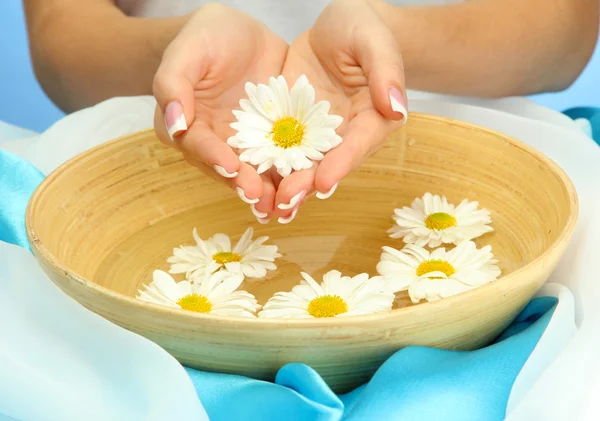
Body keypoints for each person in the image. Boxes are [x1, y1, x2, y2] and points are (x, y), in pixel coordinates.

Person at [23, 0, 598, 223]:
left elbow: (568, 32)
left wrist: (388, 46)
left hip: (467, 135)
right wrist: (178, 58)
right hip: (175, 142)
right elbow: (62, 45)